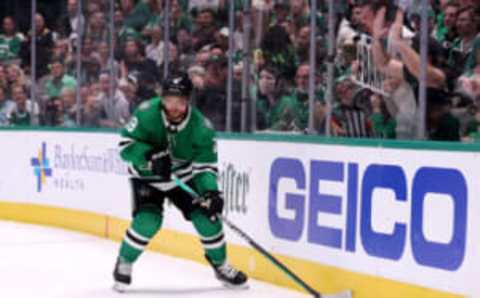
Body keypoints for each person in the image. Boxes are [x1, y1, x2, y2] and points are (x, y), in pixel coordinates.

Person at [112, 73, 248, 291]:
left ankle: (221, 265)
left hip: (182, 177)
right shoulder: (147, 113)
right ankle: (125, 260)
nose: (174, 107)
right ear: (162, 98)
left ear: (188, 100)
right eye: (169, 101)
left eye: (180, 102)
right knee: (148, 221)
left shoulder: (202, 127)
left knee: (208, 218)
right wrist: (149, 156)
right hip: (147, 177)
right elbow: (125, 148)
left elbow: (204, 168)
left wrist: (211, 192)